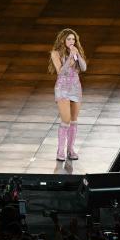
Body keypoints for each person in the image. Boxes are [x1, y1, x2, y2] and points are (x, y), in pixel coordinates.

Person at [48, 28, 87, 162]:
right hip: (62, 88)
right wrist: (70, 57)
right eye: (69, 39)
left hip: (75, 87)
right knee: (66, 120)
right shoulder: (55, 53)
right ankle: (60, 150)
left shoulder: (75, 52)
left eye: (73, 39)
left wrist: (77, 55)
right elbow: (61, 72)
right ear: (63, 40)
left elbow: (83, 68)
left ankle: (71, 149)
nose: (71, 41)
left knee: (74, 120)